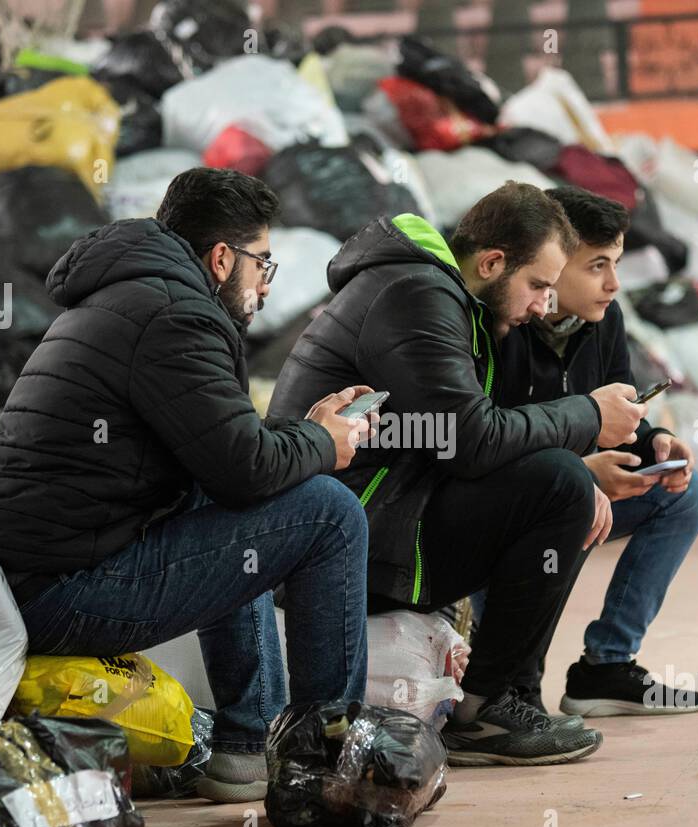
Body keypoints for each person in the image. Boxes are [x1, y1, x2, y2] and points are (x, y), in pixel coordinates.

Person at [0, 168, 375, 803]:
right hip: (56, 592)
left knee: (248, 494)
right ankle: (325, 762)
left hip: (27, 579)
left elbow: (228, 453)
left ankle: (246, 745)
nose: (266, 282)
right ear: (222, 257)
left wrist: (306, 434)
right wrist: (323, 445)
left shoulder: (135, 296)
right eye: (264, 263)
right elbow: (245, 465)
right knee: (330, 512)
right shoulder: (174, 315)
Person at [268, 182, 648, 766]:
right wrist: (590, 415)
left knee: (562, 480)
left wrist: (574, 455)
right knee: (560, 488)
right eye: (538, 286)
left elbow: (472, 435)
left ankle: (507, 694)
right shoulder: (416, 295)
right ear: (492, 262)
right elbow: (471, 441)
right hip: (346, 538)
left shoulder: (456, 302)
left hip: (387, 513)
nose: (544, 307)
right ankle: (489, 708)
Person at [495, 185, 698, 717]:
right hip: (499, 514)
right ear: (552, 259)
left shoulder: (603, 320)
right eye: (597, 266)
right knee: (566, 505)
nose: (614, 284)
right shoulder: (499, 323)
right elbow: (486, 443)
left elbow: (620, 412)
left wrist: (652, 441)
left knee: (685, 494)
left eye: (616, 264)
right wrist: (580, 475)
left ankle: (605, 669)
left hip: (570, 492)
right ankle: (508, 693)